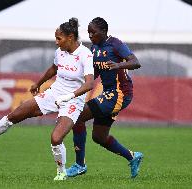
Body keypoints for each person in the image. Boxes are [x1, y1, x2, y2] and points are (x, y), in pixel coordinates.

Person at [0, 17, 94, 181]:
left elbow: (90, 84)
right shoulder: (60, 52)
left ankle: (61, 172)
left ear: (70, 37)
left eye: (59, 38)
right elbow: (54, 68)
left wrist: (69, 96)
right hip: (53, 93)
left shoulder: (85, 55)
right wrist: (38, 83)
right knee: (14, 115)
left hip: (73, 100)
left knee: (56, 138)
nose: (56, 42)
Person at [66, 17, 143, 178]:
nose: (90, 35)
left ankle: (80, 165)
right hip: (108, 93)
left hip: (120, 93)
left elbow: (135, 62)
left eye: (93, 32)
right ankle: (132, 156)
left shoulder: (115, 44)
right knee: (99, 137)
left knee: (77, 117)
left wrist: (119, 65)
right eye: (88, 32)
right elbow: (96, 72)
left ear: (104, 31)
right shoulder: (94, 48)